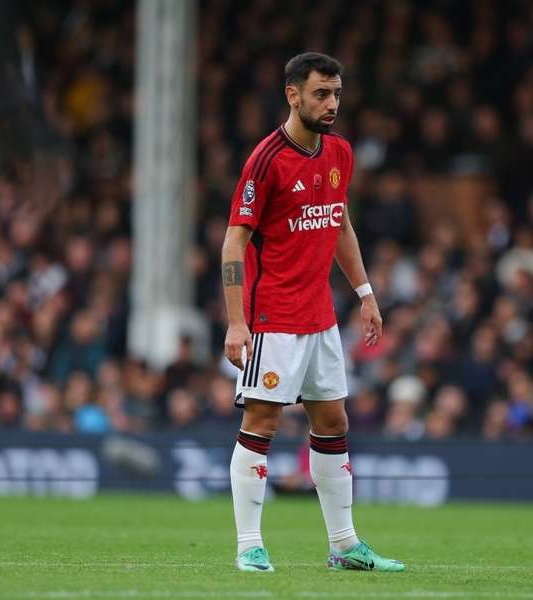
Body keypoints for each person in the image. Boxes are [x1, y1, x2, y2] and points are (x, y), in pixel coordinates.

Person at [220, 52, 404, 573]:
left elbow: (339, 224)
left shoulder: (341, 153)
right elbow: (234, 243)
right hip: (273, 318)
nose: (331, 104)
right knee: (262, 420)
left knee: (333, 420)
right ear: (292, 95)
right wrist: (237, 321)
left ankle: (344, 545)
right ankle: (248, 546)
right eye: (321, 93)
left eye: (337, 94)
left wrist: (365, 292)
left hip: (321, 317)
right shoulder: (266, 160)